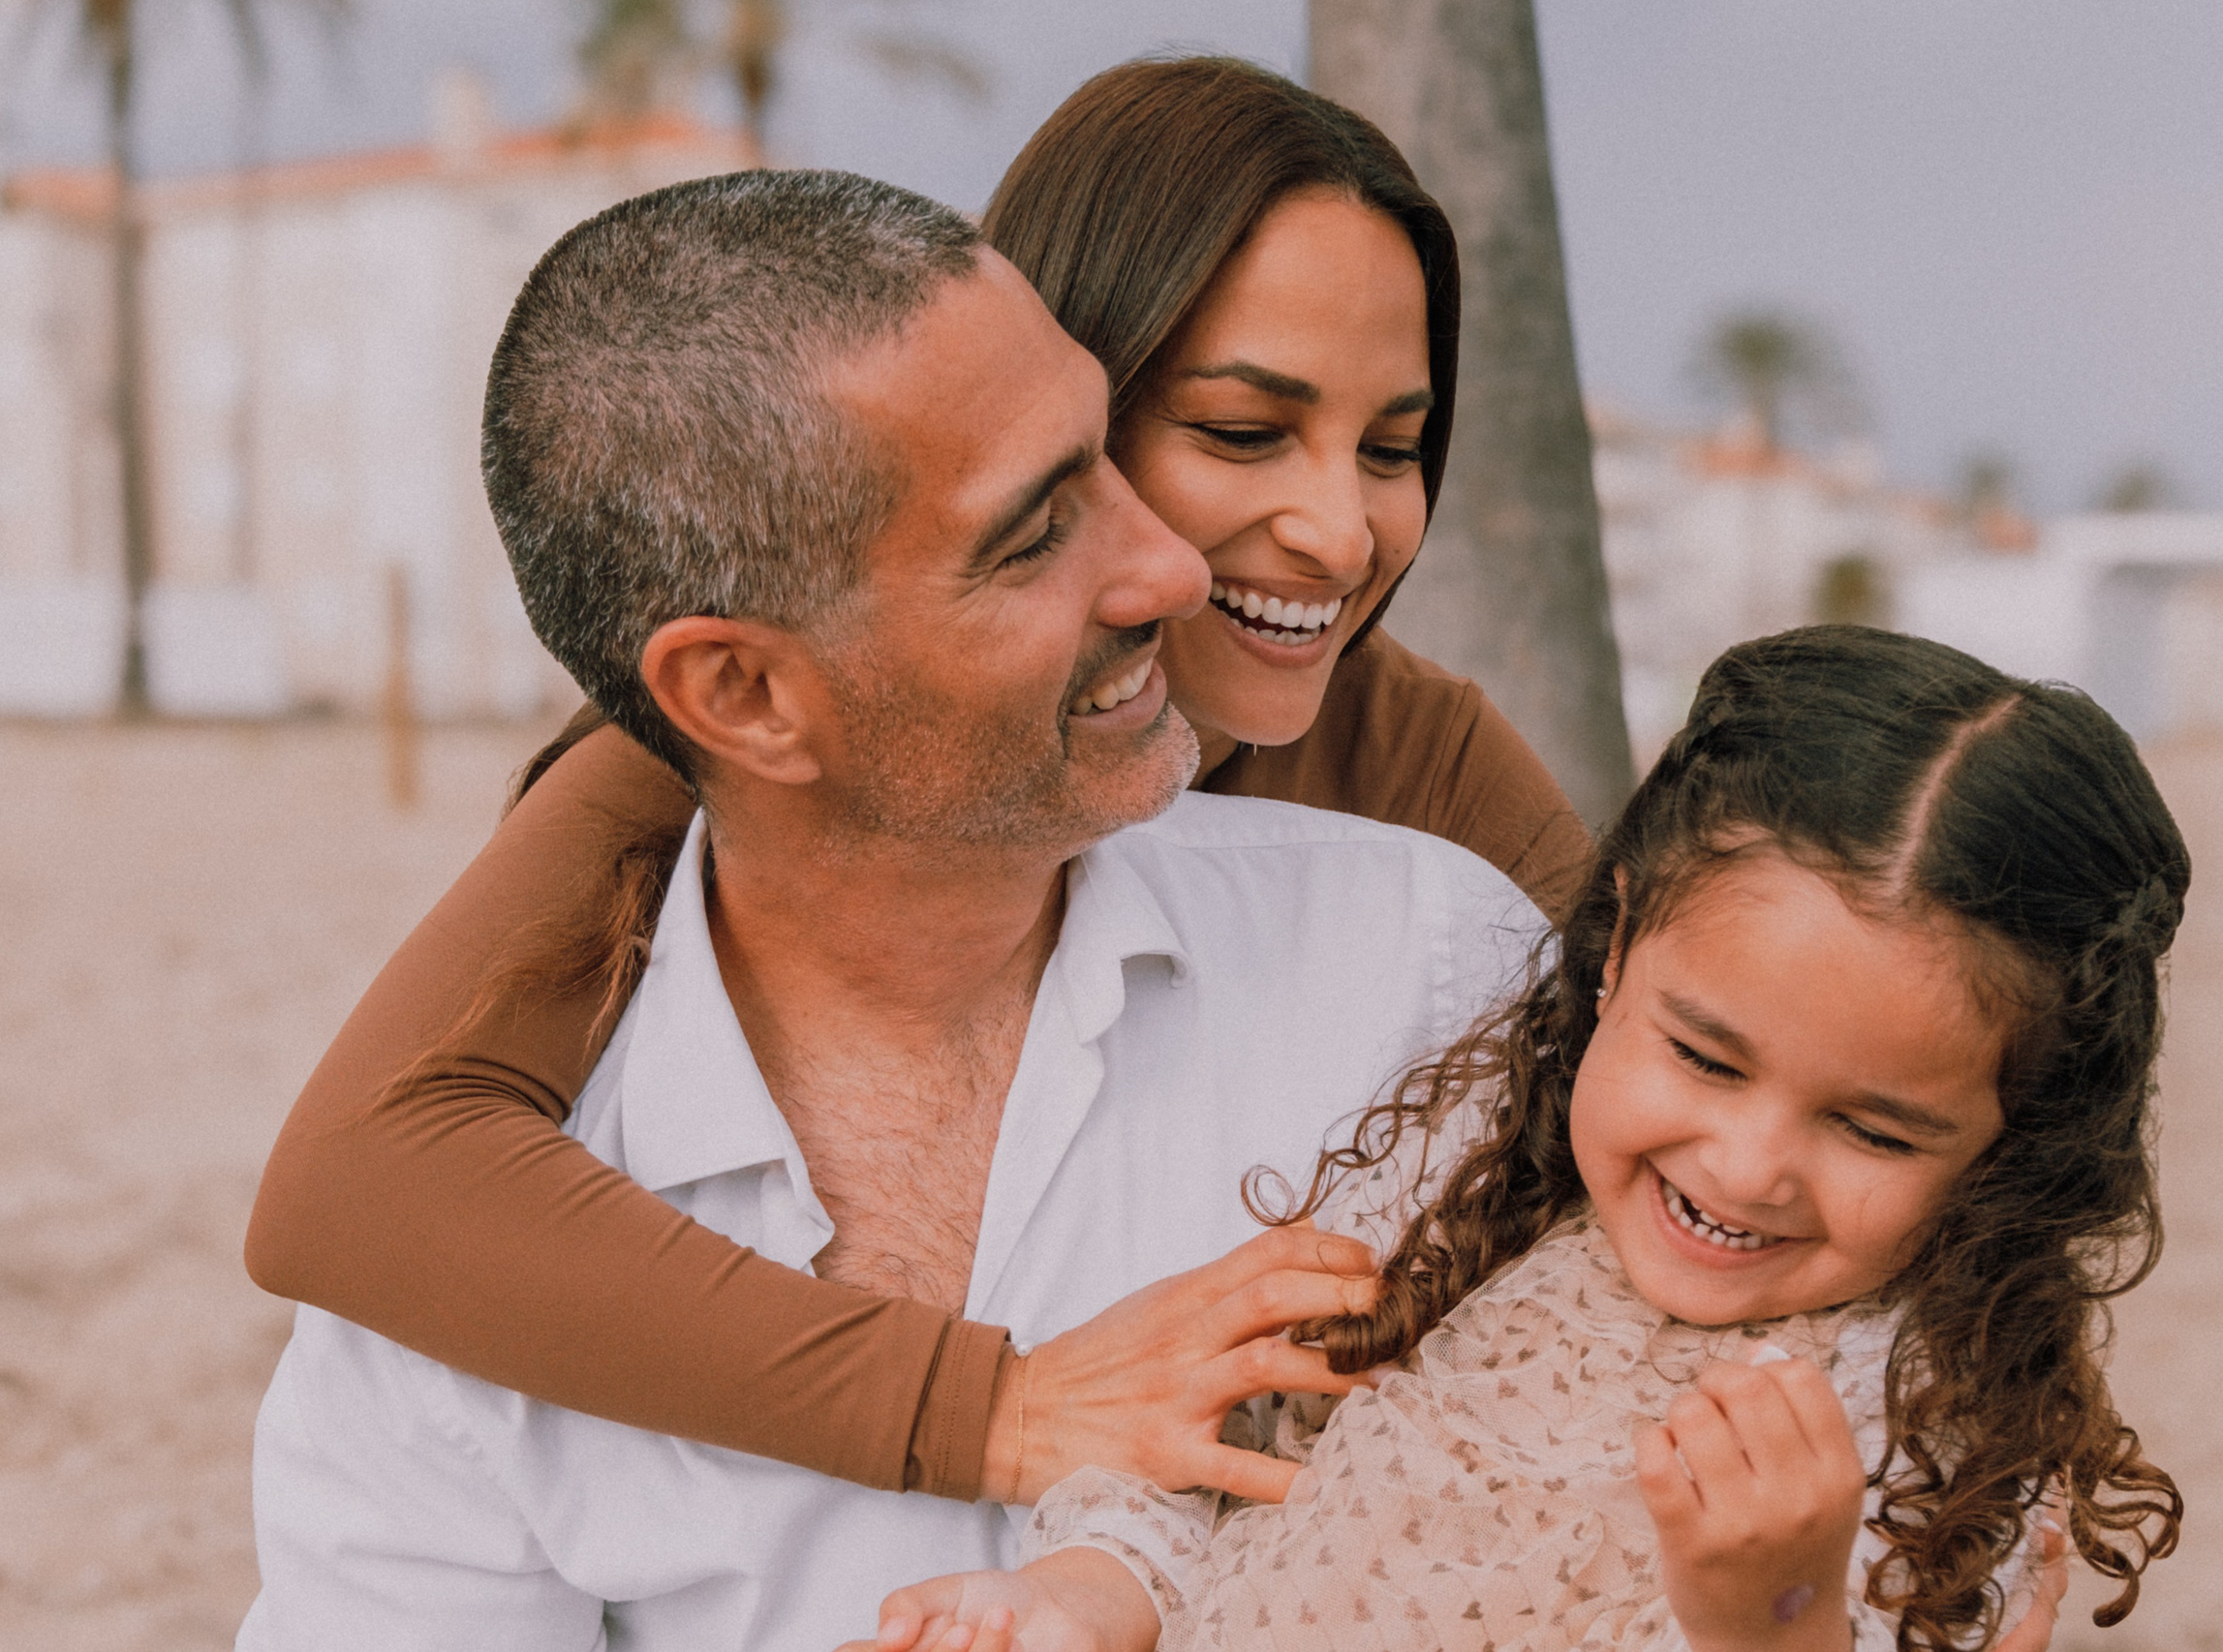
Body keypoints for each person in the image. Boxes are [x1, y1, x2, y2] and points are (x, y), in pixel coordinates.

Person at [242, 55, 1592, 1509]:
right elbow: (363, 1174)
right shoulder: (721, 757)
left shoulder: (1416, 765)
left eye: (1394, 445)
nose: (1341, 529)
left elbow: (1669, 1088)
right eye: (1243, 432)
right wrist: (988, 1409)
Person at [863, 627, 2181, 1652]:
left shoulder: (1939, 1421)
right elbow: (1214, 1453)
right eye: (1703, 1056)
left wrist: (1774, 1616)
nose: (1744, 1164)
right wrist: (1082, 1595)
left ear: (2017, 1139)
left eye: (1873, 1127)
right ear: (1614, 954)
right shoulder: (1470, 1177)